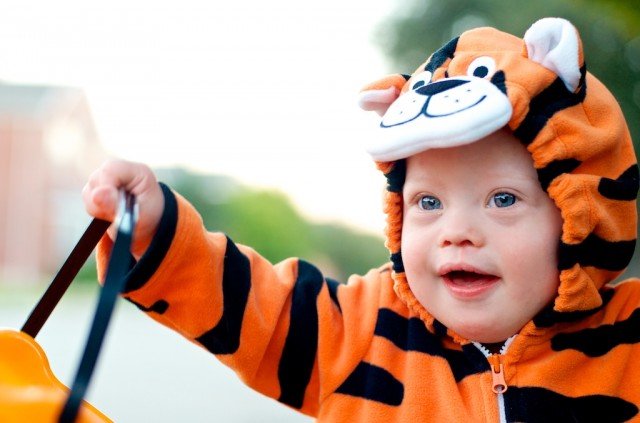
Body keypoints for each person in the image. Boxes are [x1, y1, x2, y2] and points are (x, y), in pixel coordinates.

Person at [82, 18, 640, 422]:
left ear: (579, 219)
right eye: (428, 203)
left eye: (502, 200)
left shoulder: (628, 345)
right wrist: (155, 232)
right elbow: (257, 311)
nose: (457, 231)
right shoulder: (363, 332)